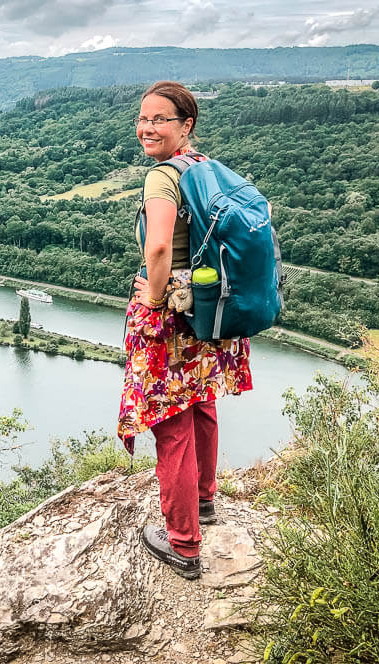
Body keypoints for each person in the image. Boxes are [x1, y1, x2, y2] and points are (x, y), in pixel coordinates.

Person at [118, 81, 253, 580]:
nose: (147, 128)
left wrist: (152, 302)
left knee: (170, 423)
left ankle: (183, 545)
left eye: (160, 119)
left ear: (185, 125)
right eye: (142, 118)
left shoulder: (162, 179)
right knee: (201, 404)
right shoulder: (206, 168)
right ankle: (204, 500)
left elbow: (156, 250)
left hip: (170, 311)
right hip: (210, 306)